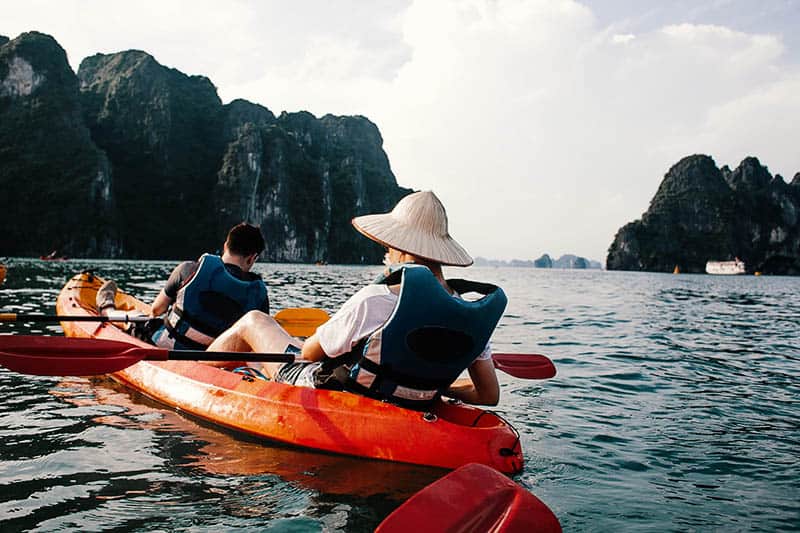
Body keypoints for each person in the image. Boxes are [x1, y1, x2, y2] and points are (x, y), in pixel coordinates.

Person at [207, 191, 507, 407]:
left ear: (400, 248)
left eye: (388, 246)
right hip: (417, 398)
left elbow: (310, 354)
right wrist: (437, 389)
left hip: (335, 392)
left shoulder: (376, 299)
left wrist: (303, 340)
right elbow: (488, 396)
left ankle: (192, 368)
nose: (386, 253)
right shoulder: (469, 313)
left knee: (254, 321)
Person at [97, 222, 269, 350]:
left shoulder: (188, 270)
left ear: (226, 246)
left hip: (167, 345)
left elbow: (156, 310)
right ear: (252, 258)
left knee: (138, 317)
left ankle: (107, 310)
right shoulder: (258, 294)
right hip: (214, 360)